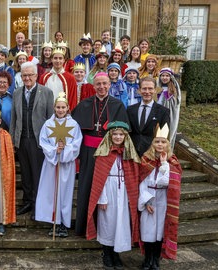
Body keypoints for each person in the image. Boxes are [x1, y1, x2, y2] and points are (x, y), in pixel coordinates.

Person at [71, 72, 129, 237]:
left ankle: (105, 229)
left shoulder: (117, 105)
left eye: (105, 84)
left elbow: (123, 132)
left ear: (110, 85)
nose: (102, 87)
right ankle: (83, 227)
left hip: (108, 153)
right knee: (86, 187)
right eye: (98, 84)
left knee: (106, 190)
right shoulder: (84, 104)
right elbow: (73, 127)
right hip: (88, 152)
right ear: (94, 86)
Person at [86, 121, 141, 269]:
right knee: (107, 223)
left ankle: (117, 254)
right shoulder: (103, 154)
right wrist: (102, 198)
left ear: (125, 136)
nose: (117, 137)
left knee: (120, 223)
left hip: (123, 193)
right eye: (115, 134)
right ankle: (107, 253)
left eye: (120, 134)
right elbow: (99, 179)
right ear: (110, 136)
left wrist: (132, 196)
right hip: (108, 192)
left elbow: (134, 176)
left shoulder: (129, 154)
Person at [10, 61, 54, 220]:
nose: (27, 78)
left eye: (30, 75)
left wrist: (50, 142)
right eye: (24, 75)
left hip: (39, 142)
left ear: (36, 75)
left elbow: (50, 119)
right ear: (21, 77)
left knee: (37, 175)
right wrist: (13, 140)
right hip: (22, 140)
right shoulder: (16, 93)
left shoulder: (47, 92)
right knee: (26, 174)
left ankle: (38, 205)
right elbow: (14, 119)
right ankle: (27, 201)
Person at [35, 92, 82, 237]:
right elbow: (43, 142)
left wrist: (65, 151)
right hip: (51, 164)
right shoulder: (48, 124)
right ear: (54, 108)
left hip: (66, 165)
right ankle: (54, 222)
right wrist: (55, 150)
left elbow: (76, 144)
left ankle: (64, 224)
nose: (60, 110)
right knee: (52, 193)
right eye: (58, 107)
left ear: (68, 108)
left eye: (63, 107)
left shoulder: (73, 125)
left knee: (65, 194)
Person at [138, 124, 182, 269]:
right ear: (153, 143)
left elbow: (167, 181)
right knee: (148, 230)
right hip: (148, 198)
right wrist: (146, 202)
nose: (160, 144)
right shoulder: (145, 159)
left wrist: (164, 164)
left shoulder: (172, 161)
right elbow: (141, 182)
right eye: (157, 141)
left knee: (159, 231)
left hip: (163, 199)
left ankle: (156, 260)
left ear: (167, 144)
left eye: (163, 142)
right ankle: (147, 259)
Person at [127, 77, 170, 156]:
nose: (147, 92)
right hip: (132, 153)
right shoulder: (130, 110)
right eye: (144, 89)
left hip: (152, 154)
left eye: (150, 89)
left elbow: (164, 136)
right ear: (139, 90)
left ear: (155, 90)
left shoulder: (163, 111)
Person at [157, 68, 181, 150]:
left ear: (170, 77)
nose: (164, 77)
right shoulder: (157, 87)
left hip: (169, 114)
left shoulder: (174, 88)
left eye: (167, 76)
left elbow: (176, 102)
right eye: (162, 75)